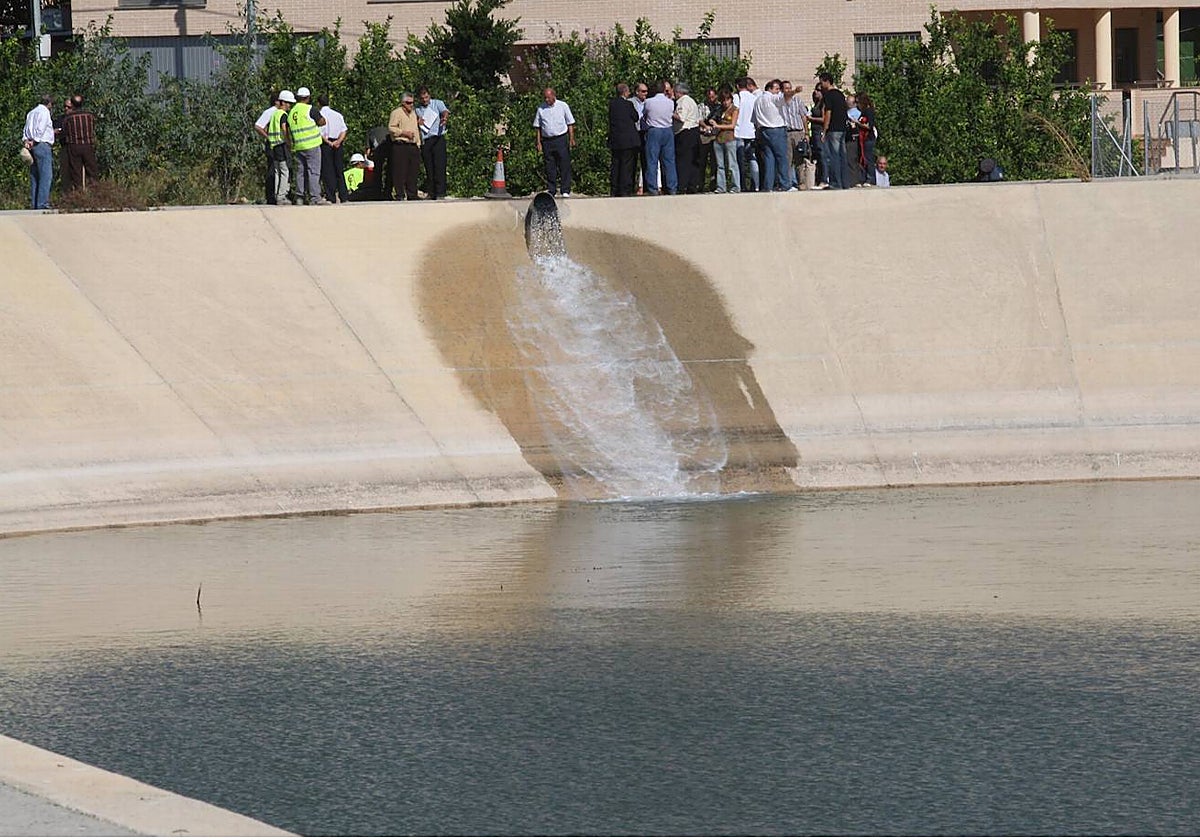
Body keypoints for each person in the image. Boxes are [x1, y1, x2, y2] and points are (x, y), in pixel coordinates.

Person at [533, 87, 576, 196]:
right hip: (547, 140)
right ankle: (552, 189)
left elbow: (570, 123)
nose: (546, 100)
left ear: (553, 96)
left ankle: (565, 189)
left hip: (561, 138)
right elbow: (538, 127)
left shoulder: (563, 106)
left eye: (548, 97)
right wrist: (538, 142)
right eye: (545, 98)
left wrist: (571, 138)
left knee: (564, 164)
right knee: (550, 166)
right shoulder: (541, 109)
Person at [288, 87, 327, 205]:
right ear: (308, 97)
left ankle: (299, 197)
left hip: (299, 146)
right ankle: (315, 197)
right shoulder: (310, 109)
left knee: (300, 172)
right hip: (312, 145)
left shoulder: (292, 112)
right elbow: (322, 122)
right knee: (313, 172)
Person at [752, 79, 791, 191]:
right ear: (770, 89)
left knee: (769, 159)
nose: (779, 91)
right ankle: (784, 184)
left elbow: (754, 119)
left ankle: (768, 185)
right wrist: (794, 91)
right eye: (777, 89)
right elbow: (783, 97)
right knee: (782, 158)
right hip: (776, 129)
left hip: (764, 130)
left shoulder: (758, 100)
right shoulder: (772, 98)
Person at [641, 80, 677, 196]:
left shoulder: (649, 102)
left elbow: (644, 115)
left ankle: (653, 188)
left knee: (652, 160)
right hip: (667, 130)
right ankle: (672, 187)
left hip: (654, 130)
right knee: (669, 161)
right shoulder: (670, 102)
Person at [22, 94, 55, 210]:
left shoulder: (31, 113)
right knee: (46, 175)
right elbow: (40, 129)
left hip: (31, 145)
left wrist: (27, 141)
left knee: (35, 175)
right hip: (41, 144)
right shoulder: (44, 112)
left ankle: (35, 203)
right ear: (49, 103)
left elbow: (25, 129)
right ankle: (42, 203)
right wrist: (35, 140)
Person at [416, 87, 449, 200]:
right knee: (429, 167)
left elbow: (444, 111)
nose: (425, 100)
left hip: (438, 137)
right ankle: (431, 192)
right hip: (426, 139)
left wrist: (444, 118)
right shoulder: (418, 110)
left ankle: (440, 192)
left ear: (429, 95)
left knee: (439, 166)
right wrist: (418, 121)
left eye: (426, 97)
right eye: (422, 98)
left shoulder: (437, 103)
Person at [607, 82, 640, 197]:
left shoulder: (612, 104)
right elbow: (635, 117)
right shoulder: (628, 105)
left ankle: (614, 188)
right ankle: (625, 189)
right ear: (625, 92)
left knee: (616, 164)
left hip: (616, 139)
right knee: (626, 166)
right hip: (628, 140)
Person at [388, 92, 422, 200]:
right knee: (399, 171)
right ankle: (400, 194)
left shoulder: (414, 113)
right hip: (401, 145)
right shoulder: (396, 113)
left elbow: (416, 129)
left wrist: (418, 143)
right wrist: (403, 133)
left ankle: (412, 194)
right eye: (408, 103)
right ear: (403, 103)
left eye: (412, 103)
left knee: (413, 171)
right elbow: (391, 128)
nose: (411, 105)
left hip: (413, 145)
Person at [818, 73, 848, 189]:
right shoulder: (840, 94)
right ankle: (844, 182)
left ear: (826, 81)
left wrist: (825, 130)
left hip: (833, 129)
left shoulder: (829, 95)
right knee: (842, 156)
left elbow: (828, 113)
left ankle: (835, 182)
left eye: (821, 82)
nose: (821, 86)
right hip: (842, 128)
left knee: (833, 156)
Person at [318, 94, 349, 203]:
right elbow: (344, 130)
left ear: (319, 103)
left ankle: (331, 196)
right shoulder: (338, 115)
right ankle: (343, 196)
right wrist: (339, 141)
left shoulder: (319, 115)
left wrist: (329, 143)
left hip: (327, 144)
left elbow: (319, 133)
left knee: (328, 171)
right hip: (338, 143)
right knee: (339, 170)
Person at [672, 81, 702, 194]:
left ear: (678, 92)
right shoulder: (691, 101)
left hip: (685, 132)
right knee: (693, 161)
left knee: (683, 161)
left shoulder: (682, 101)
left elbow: (681, 117)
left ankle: (682, 185)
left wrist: (669, 112)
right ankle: (692, 185)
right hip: (694, 131)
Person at [710, 87, 740, 194]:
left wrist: (718, 125)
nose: (725, 102)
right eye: (723, 100)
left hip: (730, 139)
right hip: (718, 139)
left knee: (732, 164)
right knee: (720, 165)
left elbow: (732, 125)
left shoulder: (734, 109)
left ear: (731, 99)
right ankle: (721, 186)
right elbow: (712, 118)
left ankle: (735, 186)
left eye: (727, 100)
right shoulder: (719, 110)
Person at [781, 81, 809, 190]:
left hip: (798, 132)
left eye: (789, 88)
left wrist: (806, 133)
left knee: (800, 159)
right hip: (786, 133)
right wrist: (795, 91)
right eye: (786, 88)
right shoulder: (780, 101)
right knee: (788, 160)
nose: (788, 90)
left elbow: (803, 117)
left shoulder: (798, 101)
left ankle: (801, 182)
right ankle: (788, 183)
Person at [254, 93, 281, 204]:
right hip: (272, 144)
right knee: (272, 169)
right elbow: (258, 126)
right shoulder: (270, 112)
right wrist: (268, 137)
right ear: (276, 101)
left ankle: (277, 194)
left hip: (278, 144)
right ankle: (270, 196)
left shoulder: (279, 112)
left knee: (279, 169)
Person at [734, 77, 760, 192]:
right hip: (751, 132)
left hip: (739, 131)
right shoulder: (754, 98)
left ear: (738, 86)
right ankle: (756, 185)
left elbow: (735, 111)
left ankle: (742, 185)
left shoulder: (736, 97)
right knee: (752, 159)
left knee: (740, 161)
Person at [856, 92, 878, 185]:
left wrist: (858, 123)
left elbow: (869, 126)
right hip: (862, 138)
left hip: (868, 138)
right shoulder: (863, 112)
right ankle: (863, 178)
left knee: (868, 158)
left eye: (858, 102)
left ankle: (870, 178)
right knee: (862, 158)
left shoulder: (869, 111)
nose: (857, 105)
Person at [807, 86, 826, 188]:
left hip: (819, 131)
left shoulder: (823, 104)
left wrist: (811, 118)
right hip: (814, 132)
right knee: (817, 155)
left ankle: (824, 179)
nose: (815, 92)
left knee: (822, 154)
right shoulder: (816, 104)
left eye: (819, 90)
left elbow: (824, 119)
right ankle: (818, 178)